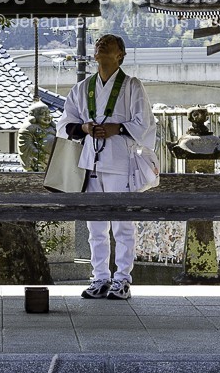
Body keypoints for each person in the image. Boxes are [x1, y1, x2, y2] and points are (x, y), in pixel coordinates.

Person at [59, 33, 158, 301]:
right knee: (96, 227)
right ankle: (100, 277)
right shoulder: (82, 88)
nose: (102, 44)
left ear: (120, 55)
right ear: (94, 55)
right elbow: (65, 123)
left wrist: (118, 127)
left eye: (109, 43)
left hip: (120, 163)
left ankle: (123, 279)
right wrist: (85, 127)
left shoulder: (131, 86)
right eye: (99, 43)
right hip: (91, 163)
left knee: (122, 225)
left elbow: (145, 122)